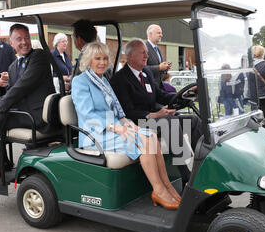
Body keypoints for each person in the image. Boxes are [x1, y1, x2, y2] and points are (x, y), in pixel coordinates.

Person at [72, 42, 180, 209]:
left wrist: (129, 125)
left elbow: (119, 112)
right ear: (88, 60)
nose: (102, 62)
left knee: (150, 136)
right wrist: (117, 128)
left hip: (113, 129)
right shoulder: (81, 81)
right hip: (94, 134)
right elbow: (88, 115)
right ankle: (158, 190)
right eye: (97, 58)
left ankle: (167, 187)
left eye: (105, 58)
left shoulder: (104, 82)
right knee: (144, 141)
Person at [0, 23, 55, 182]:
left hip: (37, 116)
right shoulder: (14, 66)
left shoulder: (39, 57)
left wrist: (0, 106)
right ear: (11, 43)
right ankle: (2, 163)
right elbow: (11, 91)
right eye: (19, 39)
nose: (24, 42)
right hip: (24, 113)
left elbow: (23, 87)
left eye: (27, 38)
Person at [110, 38, 202, 186]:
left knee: (193, 120)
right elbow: (127, 111)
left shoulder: (145, 73)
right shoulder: (120, 79)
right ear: (130, 56)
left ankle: (202, 167)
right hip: (135, 123)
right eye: (142, 53)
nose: (146, 56)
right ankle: (187, 176)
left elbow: (161, 95)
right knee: (169, 122)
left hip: (155, 119)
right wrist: (154, 115)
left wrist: (184, 94)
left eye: (147, 53)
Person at [146, 24, 172, 88]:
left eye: (161, 33)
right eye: (158, 33)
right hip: (149, 87)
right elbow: (141, 69)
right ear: (150, 34)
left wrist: (165, 68)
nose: (161, 35)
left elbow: (159, 69)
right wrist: (159, 67)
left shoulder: (157, 49)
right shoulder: (144, 48)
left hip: (158, 86)